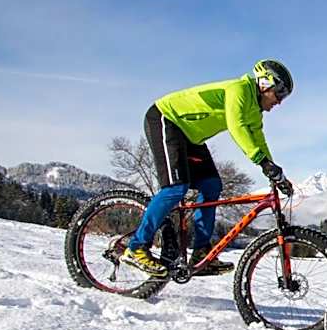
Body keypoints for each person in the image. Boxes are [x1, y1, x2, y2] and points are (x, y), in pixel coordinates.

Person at [121, 59, 294, 277]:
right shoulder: (238, 90)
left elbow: (259, 140)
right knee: (176, 188)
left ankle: (201, 253)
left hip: (191, 138)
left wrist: (275, 171)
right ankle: (135, 248)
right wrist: (262, 161)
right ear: (264, 84)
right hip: (167, 119)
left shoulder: (255, 112)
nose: (279, 102)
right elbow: (236, 126)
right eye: (279, 94)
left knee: (212, 185)